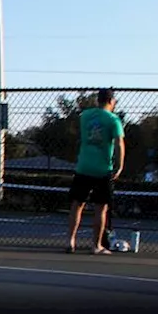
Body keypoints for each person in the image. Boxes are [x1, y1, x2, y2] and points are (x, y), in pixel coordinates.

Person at [66, 88, 124, 255]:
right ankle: (96, 245)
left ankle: (71, 240)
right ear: (111, 101)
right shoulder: (113, 119)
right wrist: (119, 166)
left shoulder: (85, 116)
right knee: (101, 208)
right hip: (102, 169)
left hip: (83, 166)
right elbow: (119, 143)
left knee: (77, 204)